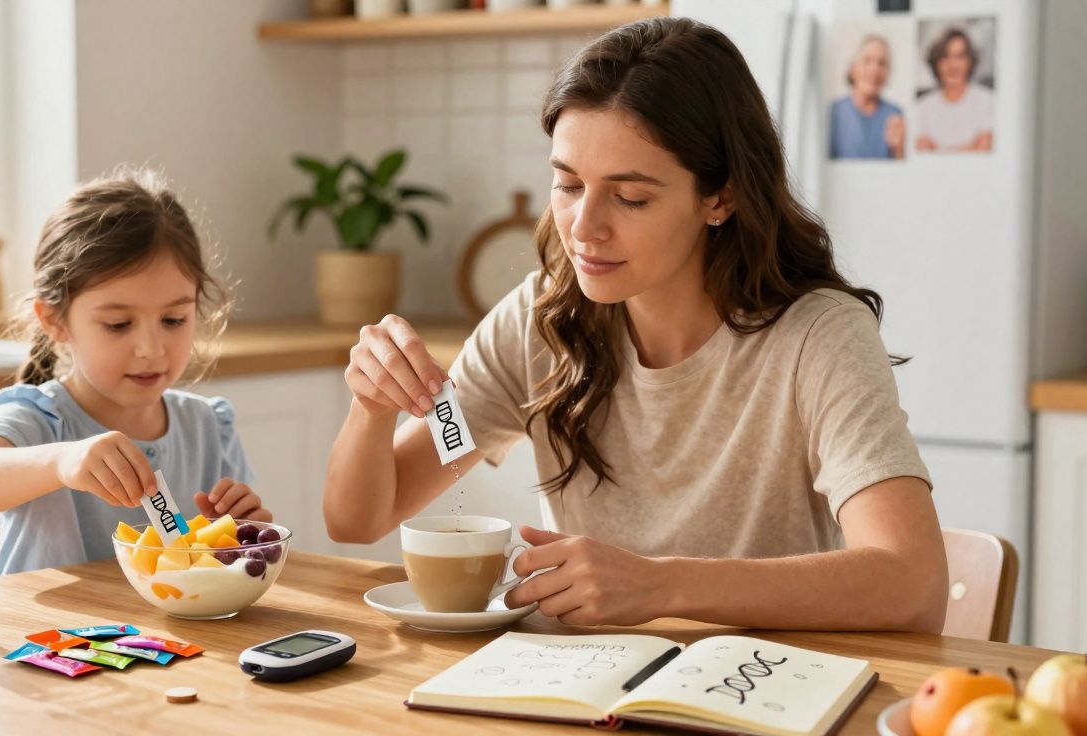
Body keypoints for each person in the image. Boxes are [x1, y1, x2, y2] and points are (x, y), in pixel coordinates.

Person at [323, 17, 948, 632]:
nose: (584, 228)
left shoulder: (817, 337)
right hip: (584, 690)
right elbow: (358, 518)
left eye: (630, 198)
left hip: (755, 691)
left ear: (720, 198)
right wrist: (372, 411)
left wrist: (660, 584)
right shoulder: (539, 322)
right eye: (567, 184)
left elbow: (912, 585)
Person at [0, 169, 272, 575]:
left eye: (174, 320)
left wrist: (249, 535)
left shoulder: (208, 428)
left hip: (172, 640)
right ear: (54, 320)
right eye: (118, 325)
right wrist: (60, 463)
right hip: (49, 638)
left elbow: (231, 563)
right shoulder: (41, 420)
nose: (151, 349)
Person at [915, 27, 994, 152]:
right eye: (945, 57)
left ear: (970, 62)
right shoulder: (922, 107)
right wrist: (970, 147)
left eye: (960, 57)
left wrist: (938, 150)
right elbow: (921, 148)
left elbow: (985, 146)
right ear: (936, 63)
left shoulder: (988, 101)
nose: (953, 65)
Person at [829, 34, 906, 159]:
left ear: (888, 73)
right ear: (853, 69)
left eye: (882, 63)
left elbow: (901, 171)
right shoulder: (834, 112)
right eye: (867, 60)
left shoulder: (894, 114)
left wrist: (898, 150)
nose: (874, 69)